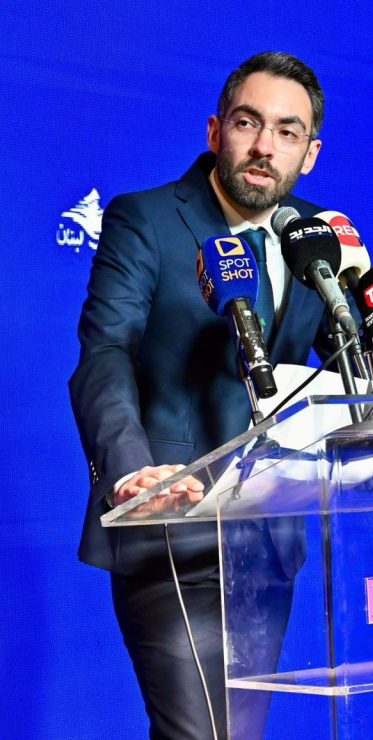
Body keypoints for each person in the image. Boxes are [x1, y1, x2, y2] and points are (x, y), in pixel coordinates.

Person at [69, 52, 332, 739]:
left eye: (287, 131)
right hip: (168, 525)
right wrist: (132, 475)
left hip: (266, 539)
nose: (264, 146)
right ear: (217, 131)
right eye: (248, 123)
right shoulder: (147, 218)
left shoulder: (318, 239)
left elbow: (344, 367)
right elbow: (105, 354)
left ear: (309, 153)